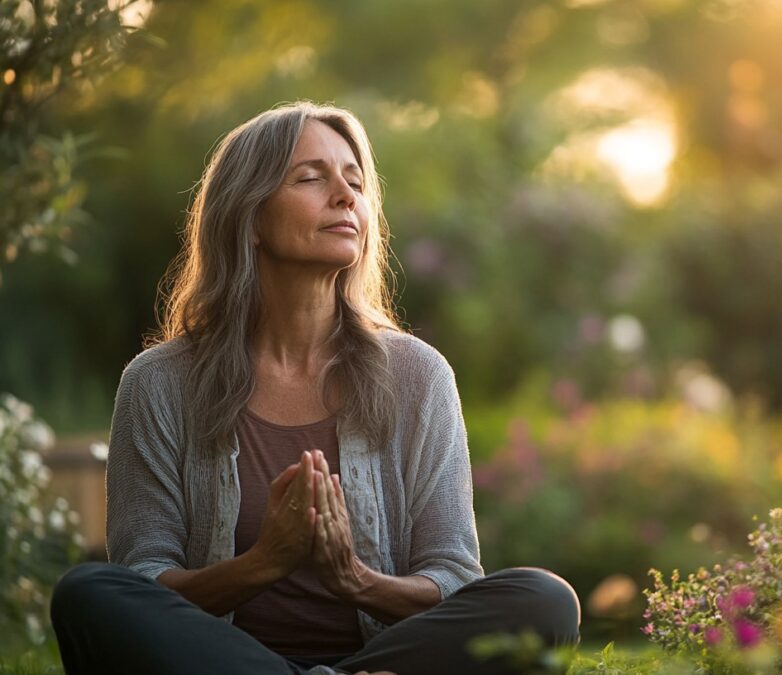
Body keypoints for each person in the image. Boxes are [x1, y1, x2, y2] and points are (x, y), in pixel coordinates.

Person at [49, 101, 580, 675]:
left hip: (387, 659)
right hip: (224, 661)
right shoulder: (158, 383)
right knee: (89, 594)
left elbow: (451, 576)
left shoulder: (419, 375)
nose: (346, 196)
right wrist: (262, 563)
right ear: (249, 217)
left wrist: (356, 579)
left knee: (543, 599)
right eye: (311, 178)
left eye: (355, 182)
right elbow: (146, 580)